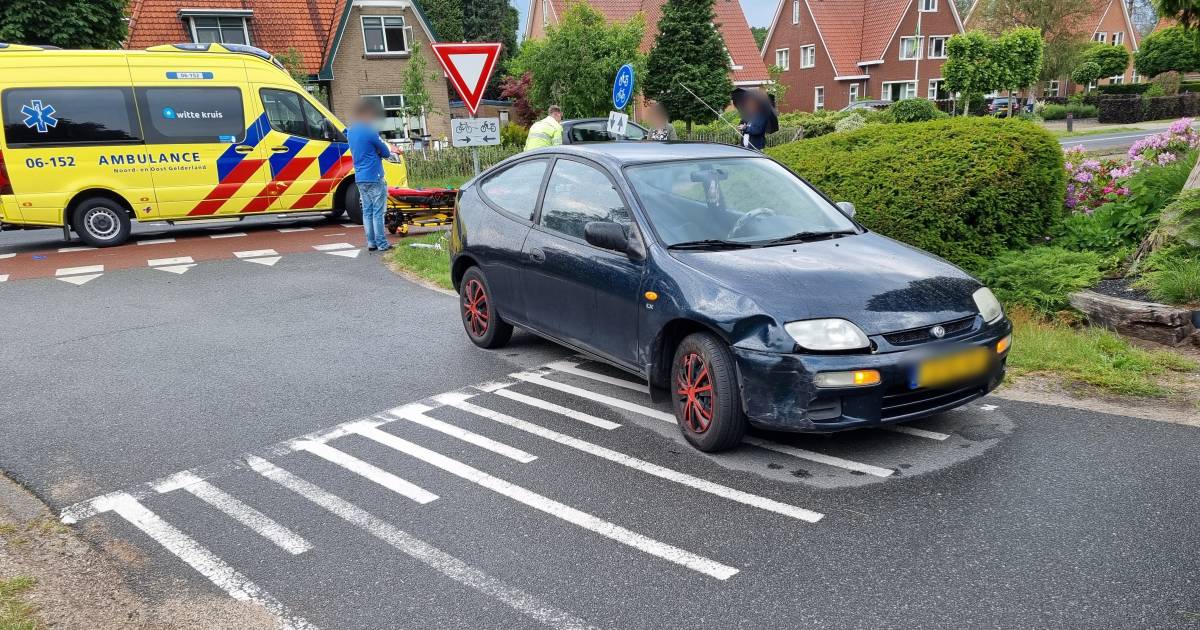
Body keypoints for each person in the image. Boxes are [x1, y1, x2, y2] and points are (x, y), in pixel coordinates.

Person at [346, 100, 394, 252]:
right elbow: (386, 152)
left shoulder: (351, 132)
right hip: (374, 176)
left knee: (367, 211)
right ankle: (382, 243)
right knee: (378, 212)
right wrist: (378, 152)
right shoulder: (370, 132)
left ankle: (371, 243)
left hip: (360, 177)